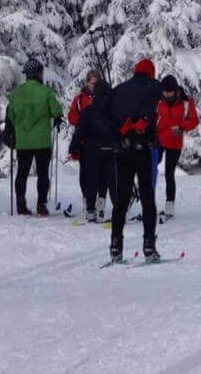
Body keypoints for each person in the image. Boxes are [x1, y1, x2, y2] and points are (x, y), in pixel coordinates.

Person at [109, 58, 162, 262]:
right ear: (151, 73)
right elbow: (159, 115)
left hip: (122, 149)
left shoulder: (120, 89)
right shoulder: (155, 88)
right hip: (144, 148)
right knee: (147, 197)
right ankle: (149, 244)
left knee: (121, 199)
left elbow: (110, 119)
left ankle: (115, 245)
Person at [5, 58, 63, 216]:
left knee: (22, 173)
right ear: (39, 73)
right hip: (41, 141)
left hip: (23, 141)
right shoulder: (46, 92)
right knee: (43, 173)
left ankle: (20, 203)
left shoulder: (16, 94)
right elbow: (56, 111)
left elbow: (10, 115)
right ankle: (41, 204)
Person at [68, 79, 117, 223]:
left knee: (92, 181)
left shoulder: (88, 111)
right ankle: (119, 210)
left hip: (91, 150)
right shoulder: (114, 111)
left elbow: (80, 131)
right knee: (112, 181)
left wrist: (74, 148)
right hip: (110, 149)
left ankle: (90, 210)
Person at [155, 75, 199, 220]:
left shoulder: (186, 102)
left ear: (175, 91)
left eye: (169, 92)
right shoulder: (158, 101)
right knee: (149, 168)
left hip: (174, 142)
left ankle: (169, 207)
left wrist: (181, 127)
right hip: (159, 139)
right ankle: (147, 201)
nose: (166, 94)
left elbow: (193, 120)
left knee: (169, 173)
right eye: (164, 92)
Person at [68, 69, 104, 220]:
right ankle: (87, 203)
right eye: (91, 83)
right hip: (84, 141)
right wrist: (85, 121)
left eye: (96, 83)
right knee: (85, 175)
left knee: (103, 175)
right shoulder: (79, 99)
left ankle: (100, 205)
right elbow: (71, 116)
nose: (93, 85)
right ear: (87, 83)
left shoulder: (104, 97)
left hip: (101, 141)